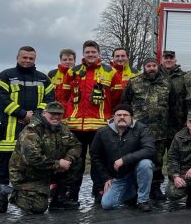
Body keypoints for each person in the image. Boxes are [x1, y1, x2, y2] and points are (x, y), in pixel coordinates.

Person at [0, 46, 55, 212]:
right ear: (17, 57)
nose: (27, 61)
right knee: (5, 164)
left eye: (31, 58)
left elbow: (49, 99)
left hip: (34, 129)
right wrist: (21, 113)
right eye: (24, 58)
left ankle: (26, 198)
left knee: (30, 165)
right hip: (9, 129)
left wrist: (34, 115)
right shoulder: (5, 76)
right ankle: (1, 193)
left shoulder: (43, 79)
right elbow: (1, 99)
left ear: (35, 59)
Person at [65, 39, 120, 203]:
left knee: (99, 163)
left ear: (98, 53)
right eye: (87, 52)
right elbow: (64, 96)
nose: (90, 55)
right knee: (76, 163)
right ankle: (71, 195)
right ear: (83, 54)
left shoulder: (110, 72)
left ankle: (99, 193)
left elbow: (116, 97)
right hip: (75, 126)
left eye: (93, 52)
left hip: (99, 126)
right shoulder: (73, 72)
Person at [4, 101, 82, 214]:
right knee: (38, 208)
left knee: (76, 161)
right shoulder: (32, 131)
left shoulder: (63, 128)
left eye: (59, 114)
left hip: (48, 170)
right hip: (27, 175)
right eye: (53, 113)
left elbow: (76, 145)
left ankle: (59, 198)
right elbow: (33, 159)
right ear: (44, 113)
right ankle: (7, 192)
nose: (56, 116)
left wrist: (67, 160)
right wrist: (57, 164)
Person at [121, 56, 177, 201]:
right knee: (137, 159)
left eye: (154, 65)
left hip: (160, 130)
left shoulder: (167, 83)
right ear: (144, 68)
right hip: (137, 131)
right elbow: (125, 104)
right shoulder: (134, 82)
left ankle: (155, 188)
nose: (151, 68)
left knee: (157, 161)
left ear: (158, 67)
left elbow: (174, 106)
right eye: (148, 66)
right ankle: (135, 189)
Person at [91, 104, 156, 211]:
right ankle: (132, 192)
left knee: (146, 164)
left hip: (137, 171)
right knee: (107, 204)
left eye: (125, 115)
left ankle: (143, 200)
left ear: (131, 117)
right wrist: (106, 177)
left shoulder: (142, 129)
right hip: (118, 176)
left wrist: (124, 160)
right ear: (113, 117)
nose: (122, 117)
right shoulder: (102, 132)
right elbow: (95, 157)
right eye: (119, 115)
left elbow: (150, 149)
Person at [160, 49, 187, 136]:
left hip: (177, 121)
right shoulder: (155, 75)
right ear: (161, 60)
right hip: (158, 122)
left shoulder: (184, 76)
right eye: (166, 58)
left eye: (171, 58)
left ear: (175, 60)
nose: (168, 60)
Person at [47, 48, 76, 117]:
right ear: (60, 60)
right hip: (55, 110)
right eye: (65, 60)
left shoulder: (79, 74)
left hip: (73, 110)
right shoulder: (52, 74)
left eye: (70, 59)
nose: (67, 62)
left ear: (75, 61)